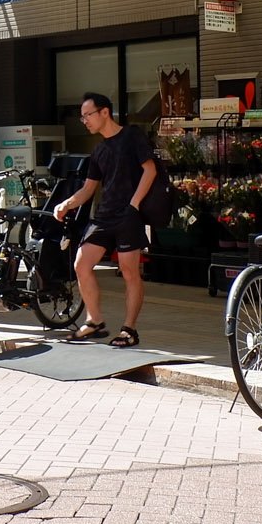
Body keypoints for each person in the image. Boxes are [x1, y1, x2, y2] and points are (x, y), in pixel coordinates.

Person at [52, 92, 157, 348]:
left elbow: (150, 170)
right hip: (104, 216)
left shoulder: (131, 136)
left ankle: (129, 330)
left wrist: (134, 204)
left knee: (130, 272)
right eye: (82, 117)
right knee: (81, 263)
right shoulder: (99, 150)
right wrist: (66, 204)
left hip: (129, 215)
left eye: (87, 115)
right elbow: (89, 189)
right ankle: (94, 321)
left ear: (104, 112)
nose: (84, 121)